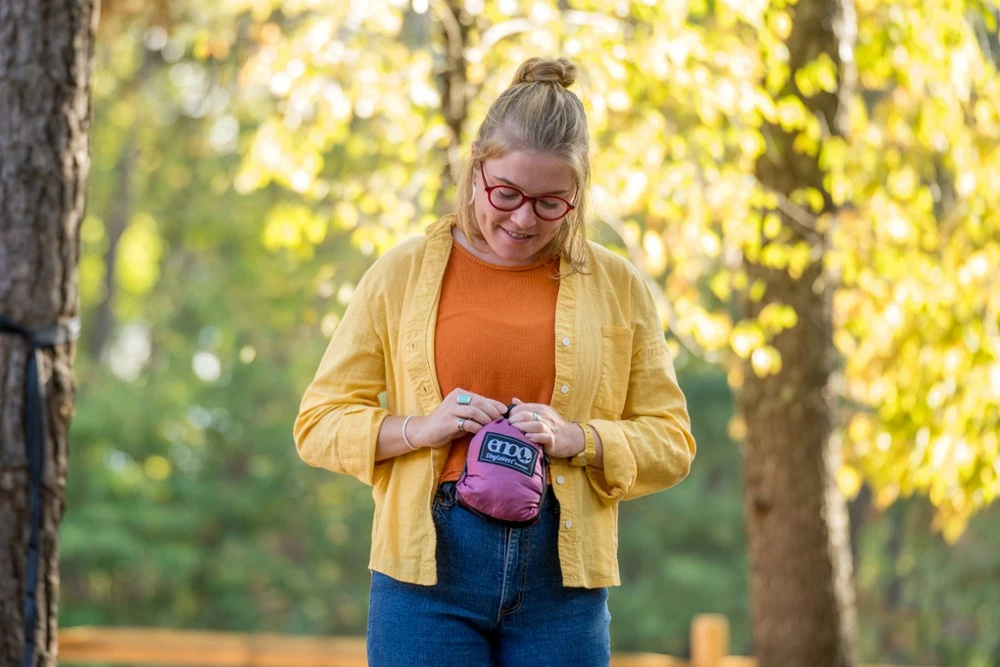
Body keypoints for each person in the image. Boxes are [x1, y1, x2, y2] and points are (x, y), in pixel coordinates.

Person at [294, 56, 696, 666]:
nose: (522, 219)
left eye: (551, 202)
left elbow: (672, 441)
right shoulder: (401, 274)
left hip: (563, 580)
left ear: (578, 194)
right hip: (426, 578)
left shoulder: (619, 286)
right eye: (506, 193)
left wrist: (579, 439)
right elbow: (317, 423)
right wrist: (420, 428)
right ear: (476, 168)